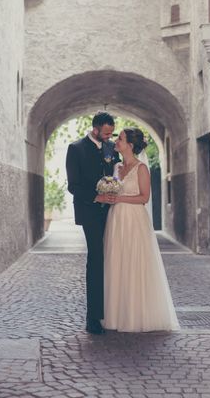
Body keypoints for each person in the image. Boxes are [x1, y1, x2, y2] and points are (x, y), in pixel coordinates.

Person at [103, 127, 180, 332]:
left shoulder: (141, 168)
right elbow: (113, 189)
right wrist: (108, 196)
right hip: (116, 219)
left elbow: (144, 198)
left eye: (120, 138)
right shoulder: (117, 166)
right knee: (117, 262)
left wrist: (119, 198)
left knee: (134, 262)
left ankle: (137, 315)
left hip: (134, 220)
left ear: (130, 145)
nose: (116, 141)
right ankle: (117, 315)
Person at [66, 111, 120, 334]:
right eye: (106, 133)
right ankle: (93, 317)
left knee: (114, 259)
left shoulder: (111, 148)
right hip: (90, 212)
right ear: (95, 129)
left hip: (113, 212)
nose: (109, 137)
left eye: (111, 133)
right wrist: (97, 196)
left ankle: (114, 311)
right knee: (96, 259)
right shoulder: (76, 148)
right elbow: (73, 185)